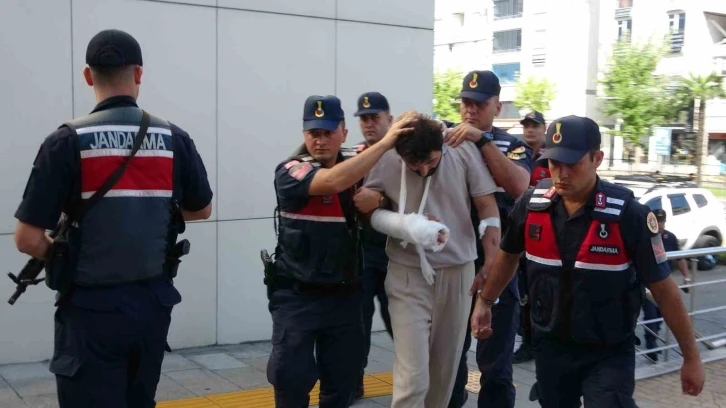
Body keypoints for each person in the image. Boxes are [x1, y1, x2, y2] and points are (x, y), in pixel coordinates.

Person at [13, 29, 213, 407]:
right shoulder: (174, 138)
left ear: (88, 76)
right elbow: (202, 208)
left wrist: (64, 255)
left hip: (89, 311)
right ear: (138, 73)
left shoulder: (66, 141)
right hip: (152, 306)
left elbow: (27, 238)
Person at [471, 115, 706, 407]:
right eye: (554, 163)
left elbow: (664, 290)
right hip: (551, 347)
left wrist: (691, 358)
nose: (561, 174)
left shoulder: (629, 215)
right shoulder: (532, 207)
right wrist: (485, 302)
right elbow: (507, 256)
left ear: (597, 159)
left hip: (608, 352)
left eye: (572, 163)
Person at [266, 96, 414, 407]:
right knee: (290, 380)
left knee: (342, 385)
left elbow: (394, 185)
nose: (320, 140)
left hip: (345, 298)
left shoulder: (358, 163)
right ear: (304, 134)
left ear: (344, 133)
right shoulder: (290, 169)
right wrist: (385, 142)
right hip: (297, 298)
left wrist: (378, 199)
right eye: (313, 133)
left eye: (328, 132)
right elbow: (333, 181)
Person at [353, 113, 502, 408]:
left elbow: (487, 207)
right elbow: (368, 209)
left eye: (431, 162)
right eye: (414, 165)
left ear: (441, 148)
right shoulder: (387, 155)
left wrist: (490, 263)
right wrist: (405, 222)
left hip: (458, 271)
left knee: (444, 374)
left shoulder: (461, 150)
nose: (423, 170)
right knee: (413, 378)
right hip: (407, 273)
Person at [443, 70, 533, 408]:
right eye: (466, 102)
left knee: (495, 366)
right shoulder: (446, 140)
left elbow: (519, 186)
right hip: (454, 263)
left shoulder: (512, 146)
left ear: (497, 106)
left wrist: (482, 141)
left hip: (499, 267)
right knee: (449, 360)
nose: (470, 110)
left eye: (479, 104)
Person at [352, 91, 395, 399]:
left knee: (402, 324)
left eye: (374, 117)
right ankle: (353, 382)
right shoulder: (355, 157)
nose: (368, 124)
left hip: (396, 253)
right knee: (358, 324)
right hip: (364, 253)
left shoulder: (403, 154)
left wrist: (379, 200)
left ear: (389, 119)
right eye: (363, 119)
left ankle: (416, 380)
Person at [513, 109, 548, 364]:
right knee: (523, 293)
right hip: (519, 231)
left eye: (535, 125)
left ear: (544, 129)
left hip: (545, 234)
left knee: (543, 291)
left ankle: (541, 341)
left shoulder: (551, 159)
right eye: (526, 125)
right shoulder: (516, 155)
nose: (530, 130)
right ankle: (527, 342)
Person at [640, 208, 691, 361]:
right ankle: (652, 348)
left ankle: (653, 341)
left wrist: (686, 277)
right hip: (648, 285)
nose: (660, 224)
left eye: (662, 221)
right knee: (650, 315)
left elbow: (680, 258)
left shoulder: (670, 237)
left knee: (661, 315)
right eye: (657, 221)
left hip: (664, 284)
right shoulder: (644, 235)